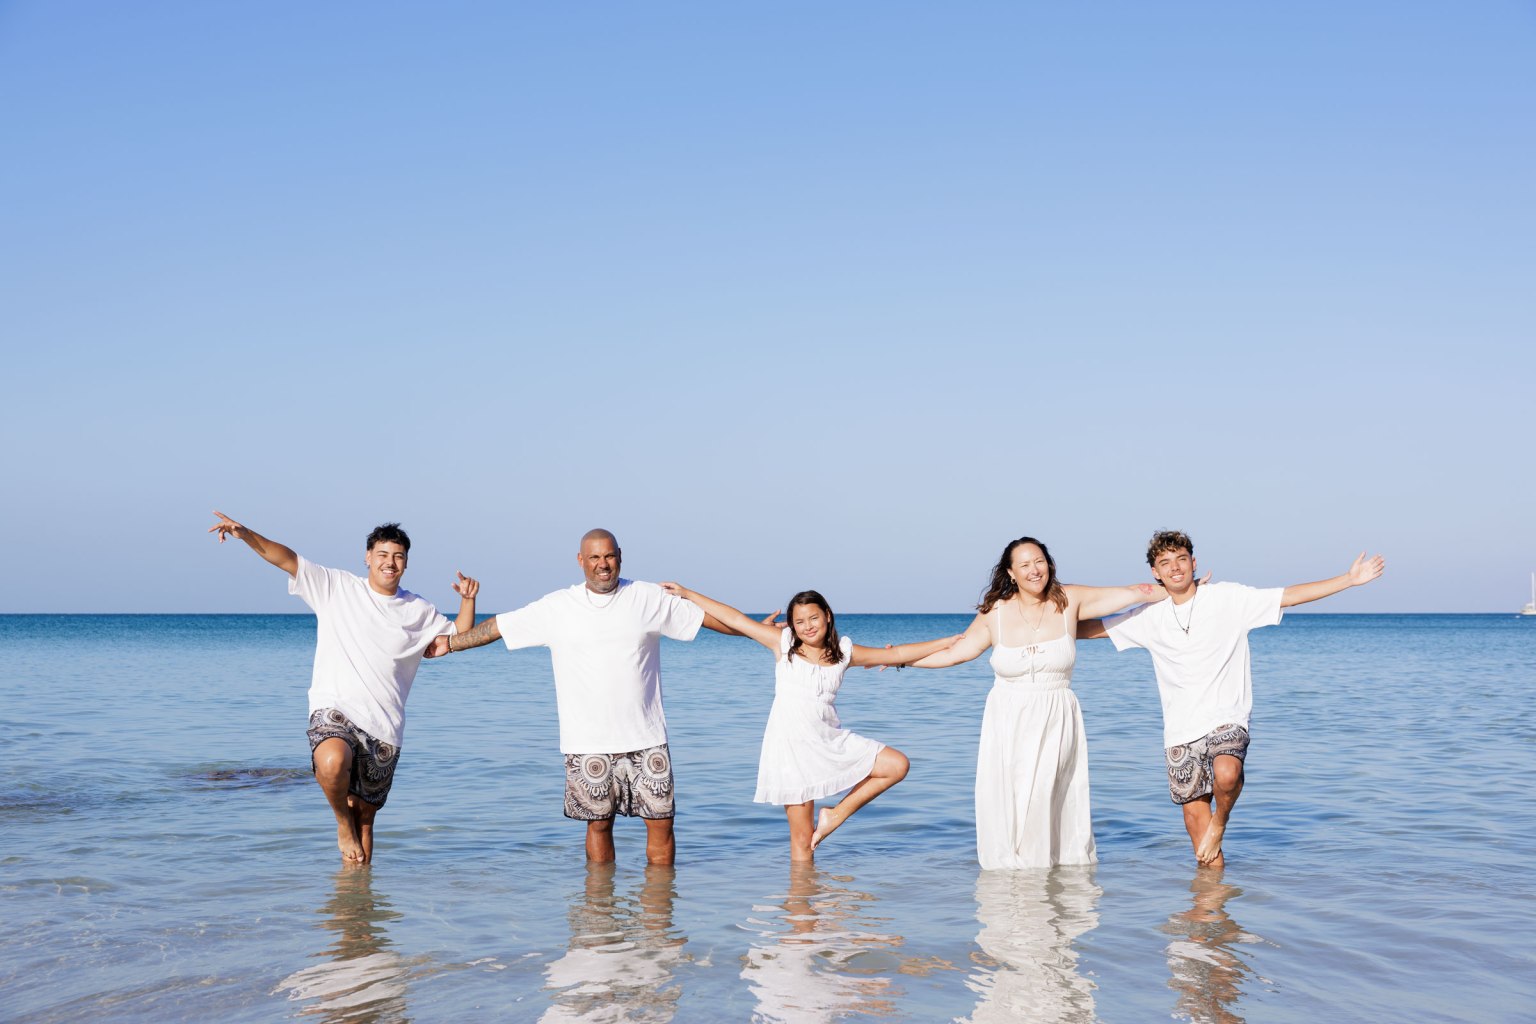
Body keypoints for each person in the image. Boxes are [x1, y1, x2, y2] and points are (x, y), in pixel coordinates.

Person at [427, 529, 733, 866]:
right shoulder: (557, 607)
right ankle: (599, 909)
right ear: (580, 561)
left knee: (662, 824)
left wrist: (757, 631)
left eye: (609, 556)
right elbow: (499, 627)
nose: (603, 565)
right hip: (587, 740)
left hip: (647, 737)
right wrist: (451, 643)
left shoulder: (646, 597)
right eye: (595, 557)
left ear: (620, 556)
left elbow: (704, 620)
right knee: (598, 825)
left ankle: (658, 912)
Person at [1081, 530, 1385, 869]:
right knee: (1202, 848)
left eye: (1181, 559)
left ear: (1193, 563)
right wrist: (1034, 619)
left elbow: (1289, 596)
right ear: (1155, 572)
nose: (1175, 568)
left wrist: (1348, 579)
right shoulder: (1148, 616)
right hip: (1180, 731)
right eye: (1165, 563)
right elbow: (1090, 629)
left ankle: (1221, 821)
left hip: (1227, 717)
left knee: (1227, 773)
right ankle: (1210, 911)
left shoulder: (1227, 598)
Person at [209, 511, 477, 864]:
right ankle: (340, 824)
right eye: (382, 555)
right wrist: (245, 534)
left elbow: (457, 636)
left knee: (365, 821)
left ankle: (356, 906)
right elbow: (285, 558)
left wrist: (468, 600)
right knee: (332, 762)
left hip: (385, 726)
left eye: (398, 556)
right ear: (367, 557)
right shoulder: (336, 586)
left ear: (406, 563)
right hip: (334, 709)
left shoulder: (418, 610)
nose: (390, 562)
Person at [908, 536, 1164, 869]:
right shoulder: (995, 613)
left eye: (1039, 561)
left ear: (1050, 564)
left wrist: (1183, 590)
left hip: (1056, 715)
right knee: (1012, 802)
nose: (1034, 570)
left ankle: (1051, 889)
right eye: (1025, 565)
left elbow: (1134, 593)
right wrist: (904, 660)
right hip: (1008, 720)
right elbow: (958, 652)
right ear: (1011, 573)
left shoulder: (1069, 599)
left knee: (1047, 798)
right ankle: (1015, 893)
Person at [657, 584, 960, 861]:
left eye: (813, 618)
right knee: (802, 845)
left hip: (828, 739)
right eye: (800, 622)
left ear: (827, 616)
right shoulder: (783, 644)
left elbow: (897, 654)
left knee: (897, 765)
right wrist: (687, 593)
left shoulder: (844, 653)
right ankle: (802, 915)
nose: (807, 627)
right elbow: (736, 619)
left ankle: (835, 816)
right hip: (790, 748)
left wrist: (946, 641)